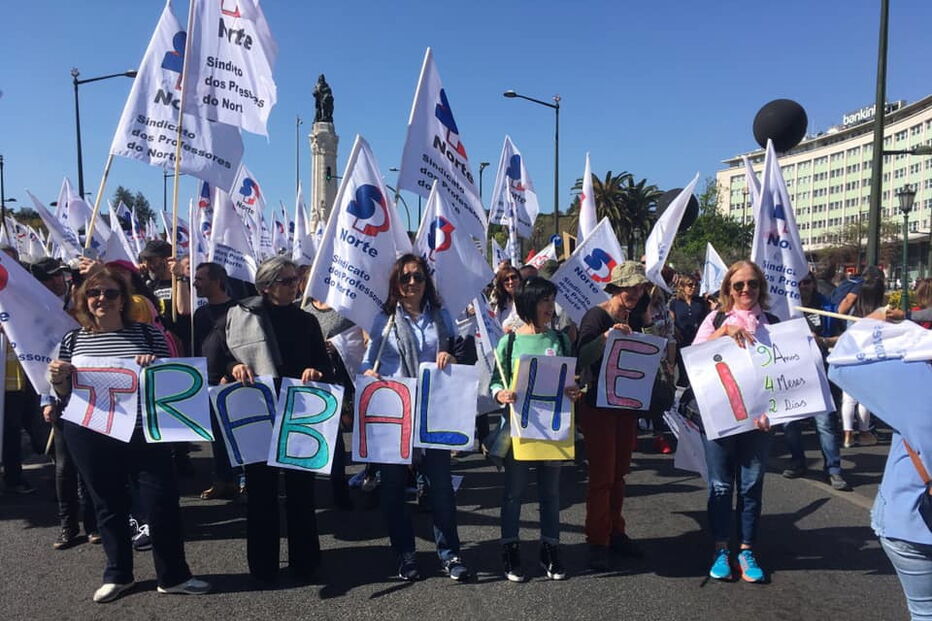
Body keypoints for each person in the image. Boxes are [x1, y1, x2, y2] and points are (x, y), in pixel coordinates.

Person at [47, 266, 209, 603]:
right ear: (84, 300)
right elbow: (62, 394)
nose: (101, 299)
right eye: (94, 293)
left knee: (161, 502)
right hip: (89, 433)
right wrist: (58, 378)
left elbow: (170, 381)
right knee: (108, 504)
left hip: (143, 433)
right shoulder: (72, 339)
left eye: (110, 293)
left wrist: (153, 366)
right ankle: (118, 575)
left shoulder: (148, 334)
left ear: (124, 299)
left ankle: (173, 575)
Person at [214, 256, 333, 583]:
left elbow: (324, 365)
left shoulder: (306, 321)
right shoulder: (239, 316)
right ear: (266, 287)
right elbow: (219, 357)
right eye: (288, 281)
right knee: (261, 492)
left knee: (300, 491)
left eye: (296, 279)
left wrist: (316, 372)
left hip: (298, 411)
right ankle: (263, 565)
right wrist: (232, 368)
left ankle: (305, 562)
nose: (296, 285)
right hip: (258, 412)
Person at [360, 254, 470, 582]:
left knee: (440, 489)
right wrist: (368, 373)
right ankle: (405, 554)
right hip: (396, 410)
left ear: (427, 282)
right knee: (393, 488)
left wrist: (450, 354)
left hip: (435, 408)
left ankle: (449, 554)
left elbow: (463, 350)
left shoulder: (442, 316)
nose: (412, 283)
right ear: (396, 283)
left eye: (418, 277)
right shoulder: (384, 320)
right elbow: (369, 362)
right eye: (405, 277)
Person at [489, 276, 583, 582]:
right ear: (528, 303)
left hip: (553, 430)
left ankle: (551, 549)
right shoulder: (510, 341)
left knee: (550, 494)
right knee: (514, 494)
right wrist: (500, 394)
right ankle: (510, 549)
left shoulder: (560, 340)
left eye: (551, 300)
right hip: (519, 429)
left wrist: (574, 390)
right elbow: (494, 381)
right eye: (544, 300)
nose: (550, 307)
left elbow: (571, 379)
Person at [692, 259, 777, 583]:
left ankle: (746, 549)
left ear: (760, 288)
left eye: (752, 284)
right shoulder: (715, 318)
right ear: (728, 289)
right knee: (721, 484)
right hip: (720, 419)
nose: (746, 290)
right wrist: (723, 332)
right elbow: (694, 360)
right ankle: (720, 548)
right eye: (738, 285)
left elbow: (782, 374)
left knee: (752, 486)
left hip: (759, 422)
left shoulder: (774, 324)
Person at [576, 261, 651, 571]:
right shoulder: (596, 315)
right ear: (616, 287)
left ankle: (615, 531)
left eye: (638, 287)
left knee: (619, 473)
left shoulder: (633, 316)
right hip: (598, 405)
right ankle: (597, 539)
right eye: (629, 287)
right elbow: (580, 356)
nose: (634, 292)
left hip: (625, 405)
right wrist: (605, 338)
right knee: (602, 476)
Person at [782, 272, 850, 491]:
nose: (803, 286)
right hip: (790, 373)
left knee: (825, 424)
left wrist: (822, 340)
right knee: (790, 423)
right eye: (799, 283)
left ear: (813, 284)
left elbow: (843, 336)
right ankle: (798, 460)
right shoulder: (783, 308)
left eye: (807, 282)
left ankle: (833, 469)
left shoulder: (827, 307)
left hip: (819, 372)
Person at [303, 297, 365, 510]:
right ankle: (305, 494)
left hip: (334, 380)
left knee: (335, 440)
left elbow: (358, 339)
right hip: (305, 383)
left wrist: (336, 346)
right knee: (307, 439)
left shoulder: (344, 312)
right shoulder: (300, 308)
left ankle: (340, 492)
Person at [191, 262, 238, 501]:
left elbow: (240, 348)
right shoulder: (200, 313)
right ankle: (222, 481)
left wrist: (229, 374)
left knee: (237, 435)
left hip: (231, 381)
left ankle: (241, 481)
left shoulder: (238, 310)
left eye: (200, 279)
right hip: (206, 380)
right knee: (216, 436)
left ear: (217, 281)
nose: (195, 283)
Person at [840, 266, 886, 448]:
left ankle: (847, 434)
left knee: (848, 398)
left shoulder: (854, 315)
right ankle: (865, 432)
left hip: (850, 358)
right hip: (870, 360)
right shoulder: (882, 315)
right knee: (865, 398)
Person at [669, 274, 709, 387]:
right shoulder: (675, 303)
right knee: (682, 371)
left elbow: (706, 320)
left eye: (696, 285)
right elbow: (671, 321)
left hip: (697, 341)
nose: (693, 287)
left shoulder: (701, 302)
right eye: (690, 285)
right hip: (681, 341)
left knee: (696, 370)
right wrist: (675, 332)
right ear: (682, 286)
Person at [489, 264, 523, 332]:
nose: (511, 281)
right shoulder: (498, 304)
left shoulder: (529, 300)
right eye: (506, 279)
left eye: (513, 277)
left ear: (519, 279)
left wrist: (513, 328)